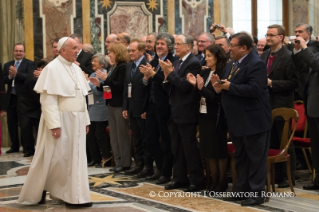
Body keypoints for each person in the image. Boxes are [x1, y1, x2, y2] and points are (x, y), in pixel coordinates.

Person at [18, 37, 92, 207]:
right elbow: (48, 100)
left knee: (75, 159)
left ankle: (74, 195)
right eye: (73, 48)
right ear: (62, 50)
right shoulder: (51, 69)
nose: (76, 51)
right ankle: (44, 187)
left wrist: (86, 120)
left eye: (77, 48)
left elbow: (82, 97)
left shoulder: (75, 68)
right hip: (61, 120)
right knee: (57, 158)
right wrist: (54, 125)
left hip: (78, 121)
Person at [212, 32, 272, 206]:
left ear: (244, 48)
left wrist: (230, 86)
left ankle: (256, 194)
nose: (229, 48)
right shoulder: (232, 63)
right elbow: (229, 86)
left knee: (256, 159)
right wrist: (219, 87)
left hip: (254, 120)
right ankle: (240, 191)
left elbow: (254, 89)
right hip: (237, 119)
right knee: (241, 157)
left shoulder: (256, 64)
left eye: (233, 45)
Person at [159, 34, 205, 192]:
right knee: (176, 147)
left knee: (189, 147)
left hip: (187, 111)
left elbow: (186, 86)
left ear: (189, 46)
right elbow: (169, 87)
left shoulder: (193, 63)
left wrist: (170, 73)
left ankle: (196, 180)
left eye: (178, 44)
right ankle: (179, 178)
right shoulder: (178, 62)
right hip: (175, 110)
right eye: (175, 44)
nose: (175, 47)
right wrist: (167, 77)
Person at [261, 24, 298, 188]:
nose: (268, 38)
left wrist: (272, 83)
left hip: (282, 105)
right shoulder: (265, 54)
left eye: (271, 35)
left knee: (285, 142)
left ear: (281, 37)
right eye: (267, 35)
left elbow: (293, 82)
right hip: (265, 105)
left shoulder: (289, 56)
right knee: (271, 142)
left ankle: (287, 175)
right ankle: (274, 174)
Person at [187, 44, 228, 192]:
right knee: (207, 151)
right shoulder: (204, 73)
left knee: (218, 151)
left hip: (216, 116)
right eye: (206, 55)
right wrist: (194, 85)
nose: (206, 58)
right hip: (203, 115)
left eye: (209, 55)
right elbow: (199, 94)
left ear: (218, 57)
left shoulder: (222, 72)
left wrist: (200, 88)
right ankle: (212, 180)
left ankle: (221, 181)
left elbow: (216, 98)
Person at [139, 32, 177, 184]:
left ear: (169, 46)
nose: (159, 46)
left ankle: (166, 173)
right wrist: (146, 79)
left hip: (165, 107)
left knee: (166, 141)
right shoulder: (154, 61)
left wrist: (153, 75)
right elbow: (147, 85)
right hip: (152, 106)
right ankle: (159, 169)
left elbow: (167, 83)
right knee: (151, 140)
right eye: (158, 44)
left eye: (162, 44)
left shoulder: (172, 61)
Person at [90, 43, 131, 173]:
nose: (108, 55)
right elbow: (110, 87)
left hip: (119, 105)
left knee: (122, 135)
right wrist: (99, 85)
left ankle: (125, 163)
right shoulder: (113, 67)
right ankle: (117, 162)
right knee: (114, 136)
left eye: (110, 53)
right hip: (111, 104)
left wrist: (106, 79)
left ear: (117, 53)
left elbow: (120, 87)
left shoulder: (123, 67)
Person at [293, 36, 319, 190]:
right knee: (316, 148)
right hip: (313, 107)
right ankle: (317, 180)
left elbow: (316, 65)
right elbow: (302, 69)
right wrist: (297, 50)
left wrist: (304, 47)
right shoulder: (315, 52)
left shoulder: (312, 52)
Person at [122, 39, 151, 177]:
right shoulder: (130, 66)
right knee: (137, 139)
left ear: (141, 51)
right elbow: (126, 87)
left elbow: (148, 90)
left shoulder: (148, 65)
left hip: (142, 108)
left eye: (133, 51)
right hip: (132, 107)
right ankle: (138, 164)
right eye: (129, 51)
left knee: (146, 139)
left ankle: (148, 166)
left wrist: (146, 108)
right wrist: (125, 107)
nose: (131, 53)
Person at [3, 43, 36, 154]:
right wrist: (10, 76)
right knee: (11, 123)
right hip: (11, 98)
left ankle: (27, 148)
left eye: (21, 51)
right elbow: (3, 80)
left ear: (24, 52)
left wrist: (17, 74)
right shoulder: (7, 65)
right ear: (13, 52)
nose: (18, 53)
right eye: (16, 51)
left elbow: (30, 77)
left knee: (24, 124)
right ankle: (14, 146)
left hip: (24, 100)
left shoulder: (29, 64)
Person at [17, 59, 49, 157]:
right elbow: (38, 98)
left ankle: (40, 149)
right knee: (26, 129)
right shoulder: (33, 79)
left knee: (40, 129)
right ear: (39, 68)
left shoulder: (44, 78)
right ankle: (28, 150)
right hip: (26, 107)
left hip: (36, 107)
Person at [85, 53, 112, 168]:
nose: (92, 63)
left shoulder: (105, 74)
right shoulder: (92, 74)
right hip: (92, 109)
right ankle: (95, 158)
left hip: (101, 109)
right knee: (90, 135)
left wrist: (87, 83)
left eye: (95, 61)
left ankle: (106, 156)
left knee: (100, 135)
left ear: (102, 64)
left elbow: (100, 91)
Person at [291, 24, 319, 100]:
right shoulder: (293, 46)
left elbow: (309, 65)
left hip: (308, 88)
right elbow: (298, 66)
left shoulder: (315, 45)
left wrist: (303, 47)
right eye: (296, 32)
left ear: (308, 34)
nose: (297, 34)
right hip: (295, 87)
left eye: (300, 32)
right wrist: (296, 50)